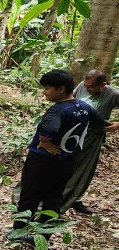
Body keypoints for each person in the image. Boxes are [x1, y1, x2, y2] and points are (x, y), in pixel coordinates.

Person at [13, 69, 118, 232]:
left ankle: (19, 232)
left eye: (47, 88)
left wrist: (44, 142)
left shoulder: (57, 111)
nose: (44, 92)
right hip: (68, 162)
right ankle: (44, 235)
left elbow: (49, 129)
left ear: (61, 89)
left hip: (43, 162)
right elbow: (100, 123)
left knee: (29, 197)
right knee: (54, 199)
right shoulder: (85, 107)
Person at [61, 70, 119, 214]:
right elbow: (70, 99)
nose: (87, 89)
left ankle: (74, 198)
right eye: (86, 86)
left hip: (92, 137)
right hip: (73, 132)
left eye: (91, 87)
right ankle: (57, 196)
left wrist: (118, 124)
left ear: (103, 85)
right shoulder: (82, 85)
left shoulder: (113, 94)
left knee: (82, 168)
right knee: (64, 165)